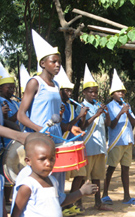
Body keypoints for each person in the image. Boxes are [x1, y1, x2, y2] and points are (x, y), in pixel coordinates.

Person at [17, 30, 85, 193]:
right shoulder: (35, 83)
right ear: (42, 63)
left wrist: (68, 127)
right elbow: (21, 115)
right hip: (39, 141)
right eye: (53, 62)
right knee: (43, 184)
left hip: (56, 140)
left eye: (59, 62)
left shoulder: (56, 86)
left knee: (57, 184)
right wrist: (40, 129)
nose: (57, 65)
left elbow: (54, 118)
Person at [11, 132, 98, 217]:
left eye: (52, 159)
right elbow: (15, 213)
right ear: (28, 161)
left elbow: (61, 201)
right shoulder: (28, 185)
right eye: (42, 159)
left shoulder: (52, 181)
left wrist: (81, 192)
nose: (48, 163)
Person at [101, 69, 135, 206]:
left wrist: (127, 111)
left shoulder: (127, 106)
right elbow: (111, 125)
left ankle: (127, 196)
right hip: (116, 142)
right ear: (112, 94)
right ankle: (105, 194)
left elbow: (134, 122)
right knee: (111, 169)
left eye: (123, 92)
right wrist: (120, 112)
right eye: (118, 92)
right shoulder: (109, 107)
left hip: (128, 141)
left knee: (126, 169)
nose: (121, 94)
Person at [76, 64, 113, 211]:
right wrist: (96, 114)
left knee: (97, 177)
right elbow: (82, 127)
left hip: (99, 147)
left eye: (96, 92)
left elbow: (108, 124)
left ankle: (98, 203)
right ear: (84, 92)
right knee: (83, 177)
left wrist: (106, 113)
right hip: (87, 147)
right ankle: (78, 203)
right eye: (91, 92)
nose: (94, 94)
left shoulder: (99, 105)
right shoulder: (81, 107)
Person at [55, 66, 88, 216]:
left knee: (75, 175)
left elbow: (78, 126)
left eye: (70, 90)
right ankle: (60, 206)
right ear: (59, 90)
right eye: (66, 90)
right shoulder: (57, 105)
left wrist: (83, 116)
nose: (69, 93)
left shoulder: (70, 106)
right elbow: (63, 127)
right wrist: (78, 115)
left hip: (71, 144)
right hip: (59, 144)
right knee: (57, 178)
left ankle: (68, 204)